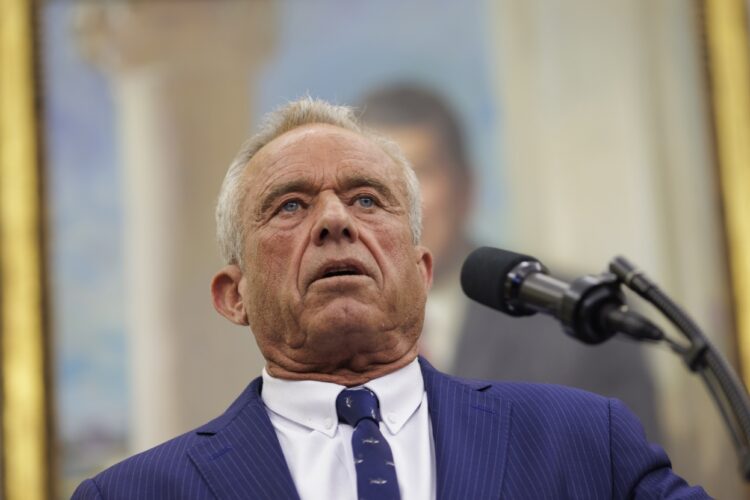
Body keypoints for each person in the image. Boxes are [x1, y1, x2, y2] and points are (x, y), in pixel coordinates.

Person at [73, 98, 707, 499]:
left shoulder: (584, 443)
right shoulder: (136, 492)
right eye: (290, 204)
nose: (334, 221)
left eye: (368, 199)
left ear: (422, 271)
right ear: (233, 295)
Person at [359, 84, 662, 441]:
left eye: (419, 174)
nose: (399, 204)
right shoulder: (319, 345)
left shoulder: (580, 323)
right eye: (373, 184)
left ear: (467, 188)